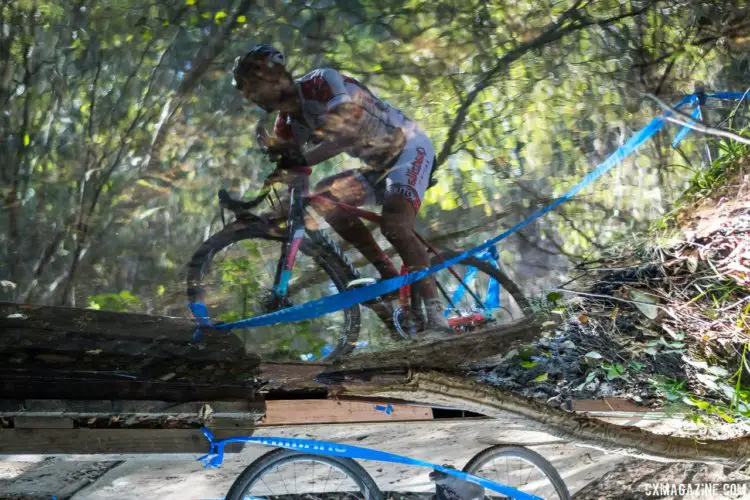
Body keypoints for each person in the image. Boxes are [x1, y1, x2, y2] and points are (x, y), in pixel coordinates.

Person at [231, 44, 453, 338]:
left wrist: (297, 160)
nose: (255, 95)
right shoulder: (286, 126)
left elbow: (347, 134)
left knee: (395, 225)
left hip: (408, 148)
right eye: (250, 90)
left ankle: (439, 319)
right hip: (376, 165)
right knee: (326, 199)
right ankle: (386, 272)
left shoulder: (321, 82)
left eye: (257, 85)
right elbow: (299, 186)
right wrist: (266, 214)